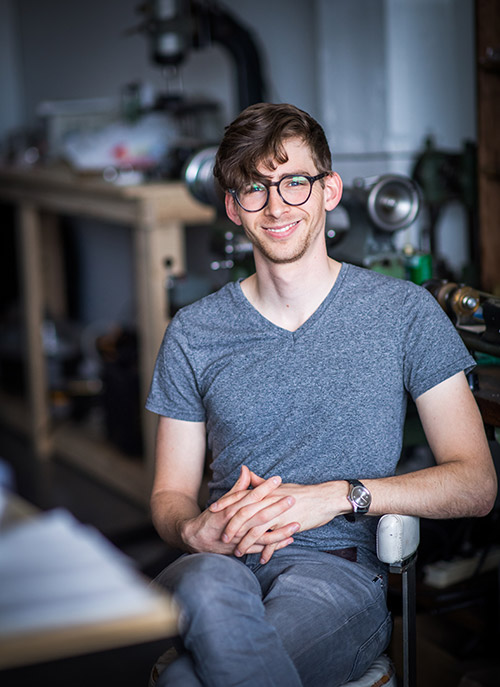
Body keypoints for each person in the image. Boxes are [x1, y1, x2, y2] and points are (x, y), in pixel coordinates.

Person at [145, 102, 497, 687]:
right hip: (216, 563)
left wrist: (336, 497)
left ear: (329, 190)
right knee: (206, 581)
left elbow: (476, 484)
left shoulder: (403, 313)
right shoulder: (193, 331)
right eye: (254, 189)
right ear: (233, 208)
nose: (277, 205)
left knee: (185, 681)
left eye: (295, 182)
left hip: (336, 574)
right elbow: (168, 495)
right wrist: (191, 530)